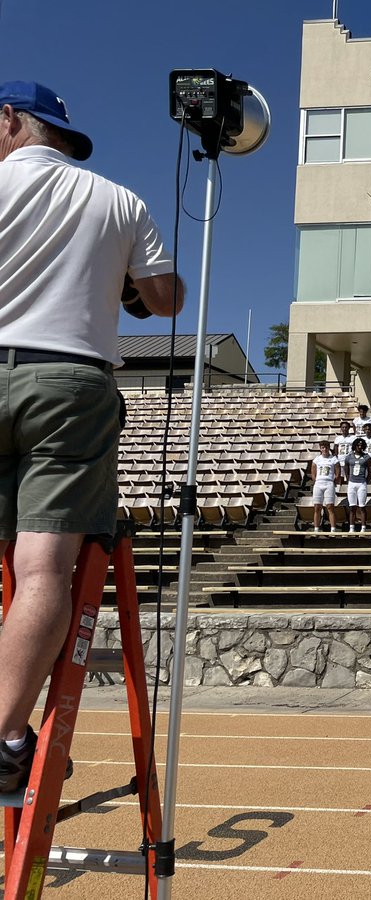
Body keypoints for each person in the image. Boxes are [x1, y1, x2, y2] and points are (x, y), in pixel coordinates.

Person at [0, 82, 185, 791]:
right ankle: (6, 735)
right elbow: (164, 300)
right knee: (44, 569)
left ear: (9, 120)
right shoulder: (118, 200)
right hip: (69, 379)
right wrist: (126, 283)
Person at [309, 441, 340, 532]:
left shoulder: (334, 459)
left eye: (326, 447)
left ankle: (333, 529)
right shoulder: (317, 459)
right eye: (322, 447)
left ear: (329, 448)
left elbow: (337, 473)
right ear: (320, 449)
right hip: (319, 483)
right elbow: (313, 473)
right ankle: (316, 529)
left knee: (330, 507)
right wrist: (316, 481)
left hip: (329, 483)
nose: (325, 449)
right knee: (317, 507)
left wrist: (333, 481)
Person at [344, 438, 371, 532]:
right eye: (358, 445)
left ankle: (363, 528)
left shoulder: (366, 457)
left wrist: (366, 481)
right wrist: (348, 479)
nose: (359, 447)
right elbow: (346, 469)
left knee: (362, 506)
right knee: (352, 507)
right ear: (354, 446)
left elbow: (370, 471)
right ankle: (351, 528)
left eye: (361, 445)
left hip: (361, 483)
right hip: (352, 483)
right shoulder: (349, 457)